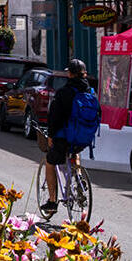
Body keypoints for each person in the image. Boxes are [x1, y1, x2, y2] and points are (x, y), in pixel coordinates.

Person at [42, 58, 93, 214]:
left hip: (64, 137)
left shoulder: (64, 93)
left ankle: (52, 202)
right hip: (83, 137)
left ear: (70, 74)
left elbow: (54, 117)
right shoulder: (90, 92)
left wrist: (51, 136)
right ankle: (78, 176)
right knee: (74, 151)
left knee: (50, 163)